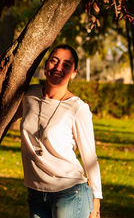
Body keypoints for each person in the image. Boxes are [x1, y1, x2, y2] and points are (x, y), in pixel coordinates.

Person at [18, 45, 102, 218]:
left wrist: (96, 204)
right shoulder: (29, 95)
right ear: (46, 64)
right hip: (36, 193)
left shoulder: (78, 108)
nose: (58, 68)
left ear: (74, 72)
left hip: (70, 193)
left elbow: (90, 157)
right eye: (54, 61)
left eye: (66, 64)